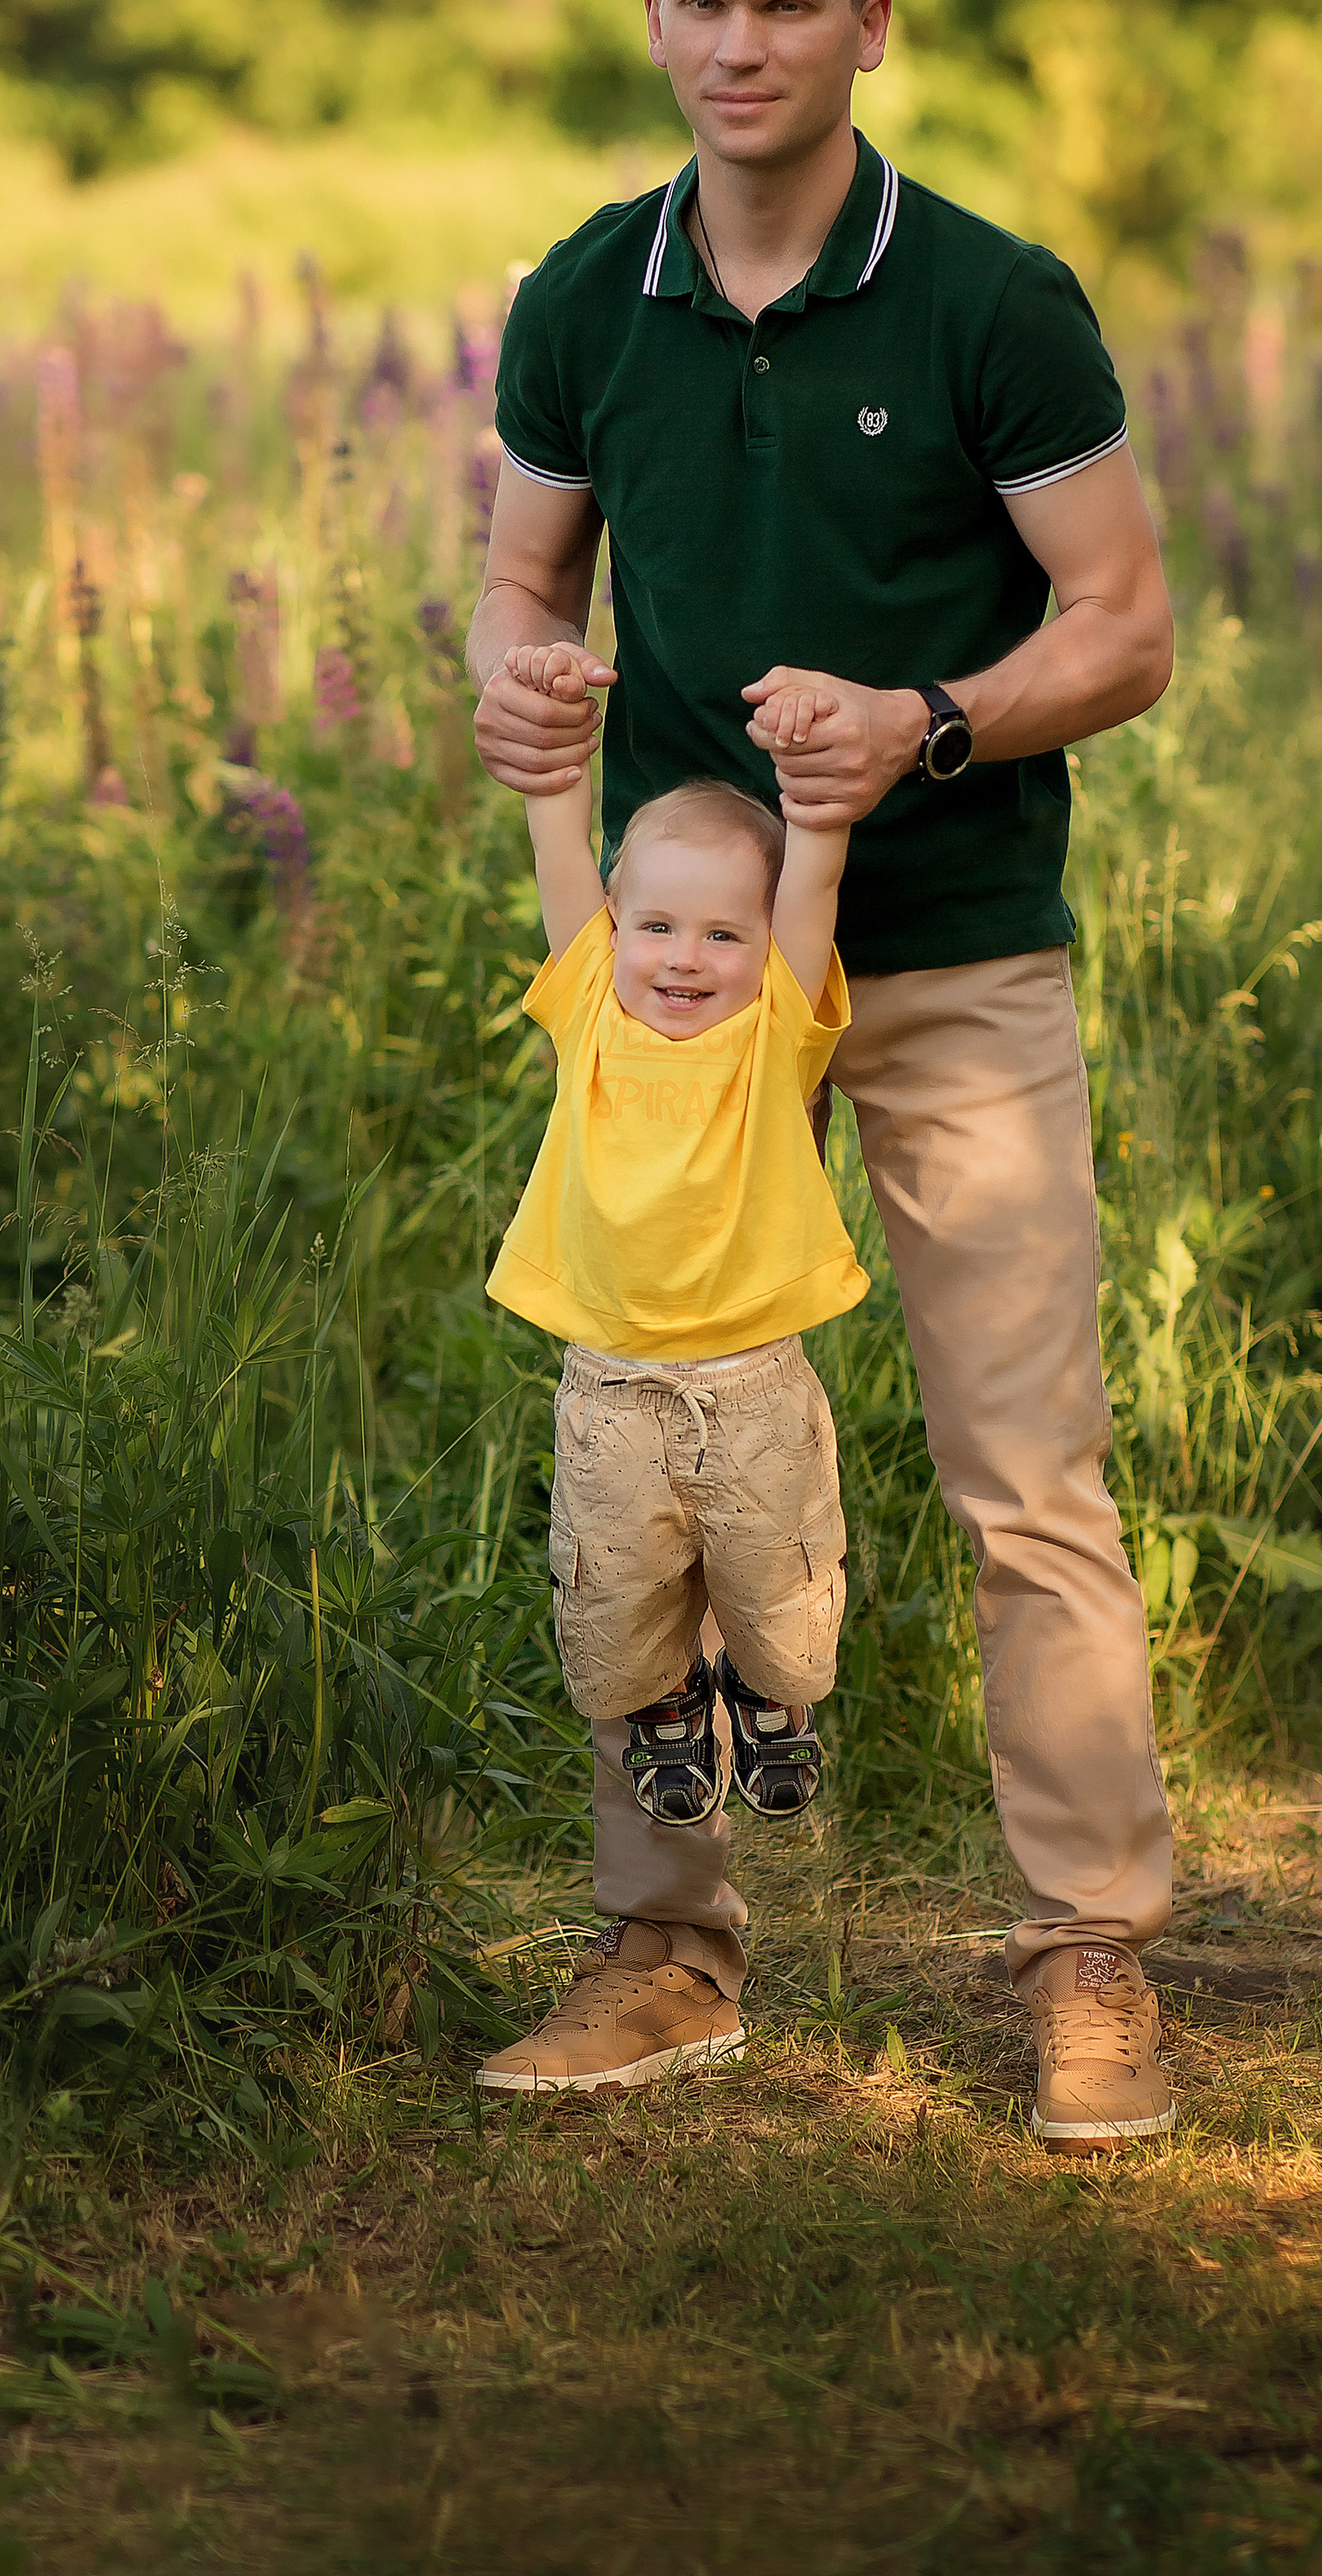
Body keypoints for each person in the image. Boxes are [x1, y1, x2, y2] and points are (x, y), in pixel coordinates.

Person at [466, 0, 1179, 2148]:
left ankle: (1089, 1952)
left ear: (872, 26)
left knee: (1019, 1469)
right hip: (685, 1001)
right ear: (656, 18)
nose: (741, 43)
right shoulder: (585, 300)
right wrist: (519, 697)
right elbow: (521, 591)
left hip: (955, 953)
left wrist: (929, 727)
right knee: (644, 1472)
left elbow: (1125, 629)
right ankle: (669, 1953)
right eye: (704, 1)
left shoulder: (992, 300)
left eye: (789, 4)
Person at [476, 677, 865, 2095]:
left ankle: (770, 1699)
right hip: (612, 1384)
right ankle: (663, 1712)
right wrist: (548, 770)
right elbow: (563, 855)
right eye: (658, 926)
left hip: (753, 1382)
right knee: (617, 1598)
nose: (684, 957)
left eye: (722, 932)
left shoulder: (777, 1029)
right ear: (616, 934)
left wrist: (815, 812)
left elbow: (809, 895)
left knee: (780, 1599)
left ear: (763, 950)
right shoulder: (590, 1004)